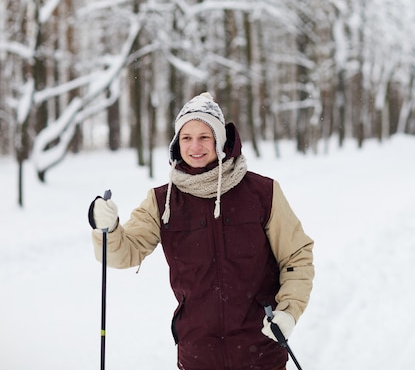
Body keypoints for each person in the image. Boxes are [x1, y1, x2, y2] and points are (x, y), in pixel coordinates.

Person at [88, 92, 315, 370]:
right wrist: (107, 229)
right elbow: (125, 253)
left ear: (220, 140)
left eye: (204, 137)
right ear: (176, 143)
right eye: (186, 138)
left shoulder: (262, 192)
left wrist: (288, 312)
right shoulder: (162, 201)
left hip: (261, 354)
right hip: (198, 355)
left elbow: (296, 257)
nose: (195, 146)